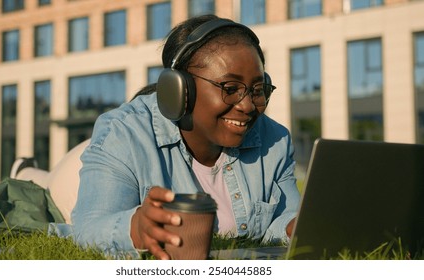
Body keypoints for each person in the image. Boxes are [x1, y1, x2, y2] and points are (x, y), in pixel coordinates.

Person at [54, 14, 301, 260]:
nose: (247, 106)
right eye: (230, 89)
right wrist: (135, 229)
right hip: (74, 177)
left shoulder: (275, 140)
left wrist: (293, 227)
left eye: (257, 90)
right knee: (50, 189)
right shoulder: (121, 133)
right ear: (179, 89)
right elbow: (89, 226)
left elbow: (284, 218)